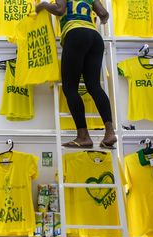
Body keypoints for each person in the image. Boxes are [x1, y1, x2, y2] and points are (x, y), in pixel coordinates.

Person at [36, 0, 116, 149]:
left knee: (70, 88)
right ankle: (110, 132)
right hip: (95, 38)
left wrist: (42, 5)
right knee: (94, 86)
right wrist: (102, 21)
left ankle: (83, 136)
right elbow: (104, 14)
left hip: (76, 34)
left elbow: (59, 10)